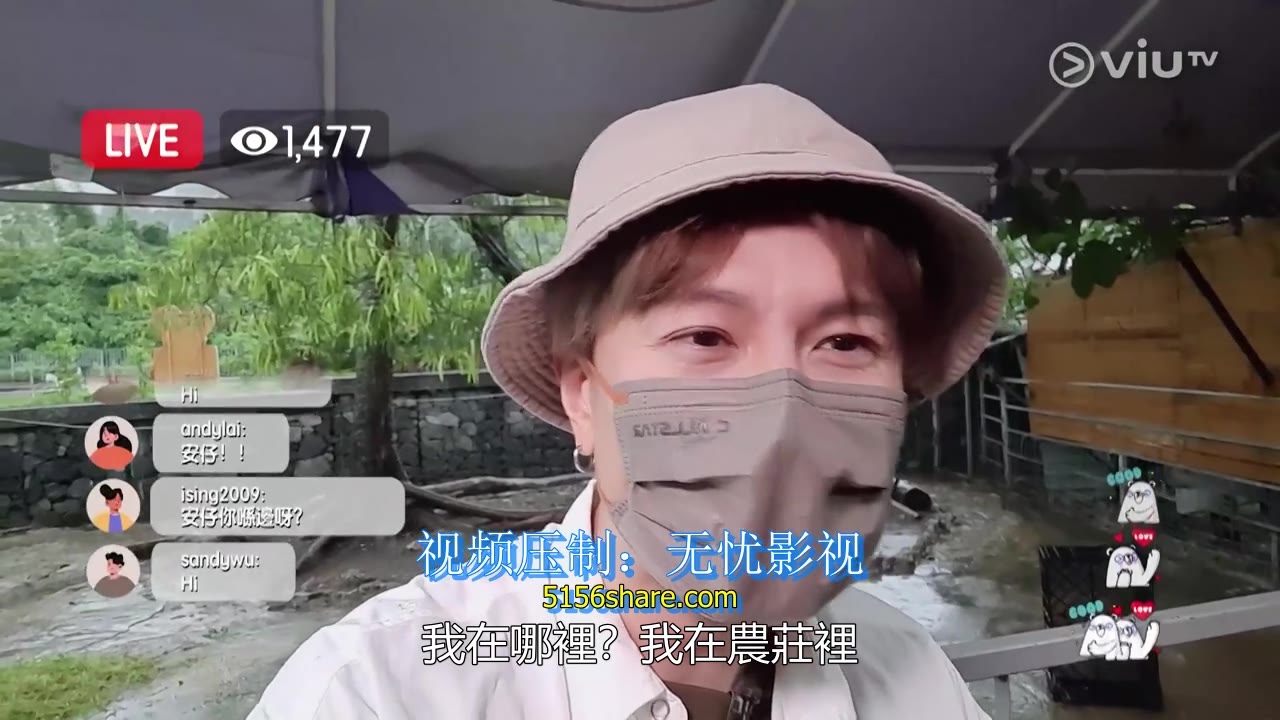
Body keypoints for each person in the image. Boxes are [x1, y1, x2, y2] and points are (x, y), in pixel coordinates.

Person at [249, 84, 1005, 719]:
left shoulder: (910, 678)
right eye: (704, 336)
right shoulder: (377, 693)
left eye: (845, 342)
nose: (782, 422)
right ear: (583, 395)